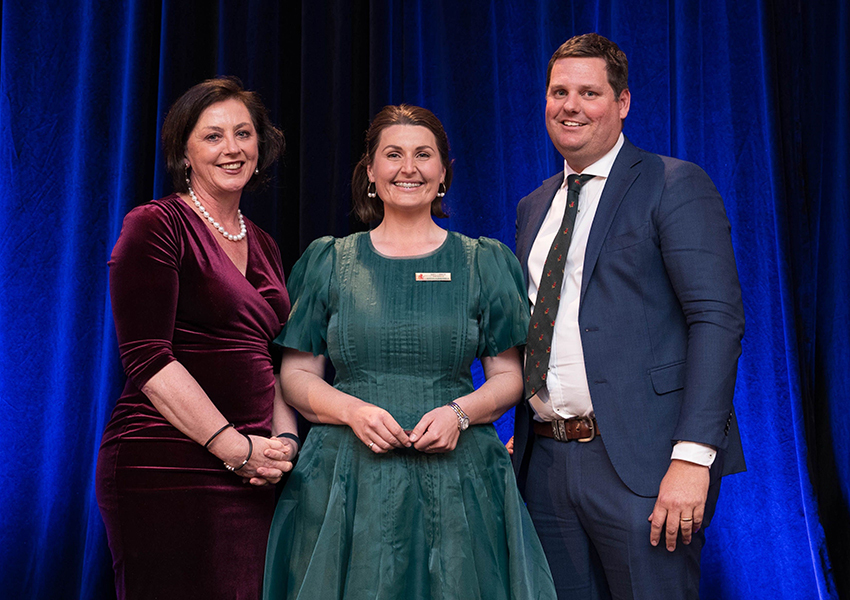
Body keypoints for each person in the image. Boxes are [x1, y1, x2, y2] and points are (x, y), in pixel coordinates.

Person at [263, 104, 556, 599]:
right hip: (344, 480)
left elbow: (510, 376)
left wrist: (460, 414)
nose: (408, 168)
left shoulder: (483, 261)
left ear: (443, 172)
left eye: (424, 155)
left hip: (460, 479)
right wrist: (351, 410)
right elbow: (295, 376)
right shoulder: (328, 260)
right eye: (393, 155)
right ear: (371, 172)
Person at [512, 34, 746, 599]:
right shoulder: (533, 205)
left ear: (622, 104)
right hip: (545, 464)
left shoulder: (673, 183)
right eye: (558, 91)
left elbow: (717, 320)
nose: (570, 105)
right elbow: (544, 321)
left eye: (589, 92)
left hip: (646, 465)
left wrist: (692, 458)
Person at [96, 77, 299, 600]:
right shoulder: (155, 225)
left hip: (254, 471)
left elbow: (271, 360)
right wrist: (233, 447)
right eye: (213, 137)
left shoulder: (266, 244)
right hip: (166, 464)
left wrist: (283, 445)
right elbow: (147, 359)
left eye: (243, 133)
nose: (232, 149)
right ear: (184, 152)